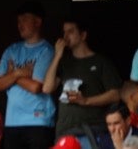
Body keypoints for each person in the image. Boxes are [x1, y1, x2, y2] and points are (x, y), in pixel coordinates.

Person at [45, 17, 120, 145]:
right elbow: (47, 88)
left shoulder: (101, 62)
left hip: (92, 129)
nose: (65, 36)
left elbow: (115, 95)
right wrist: (57, 55)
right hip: (65, 129)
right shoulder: (64, 62)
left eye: (70, 32)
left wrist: (86, 101)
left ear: (83, 35)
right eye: (64, 32)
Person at [0, 3, 56, 149]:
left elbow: (36, 86)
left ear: (37, 22)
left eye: (24, 20)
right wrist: (19, 73)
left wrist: (11, 75)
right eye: (18, 21)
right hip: (12, 121)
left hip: (38, 121)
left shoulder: (46, 50)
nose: (20, 24)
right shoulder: (12, 50)